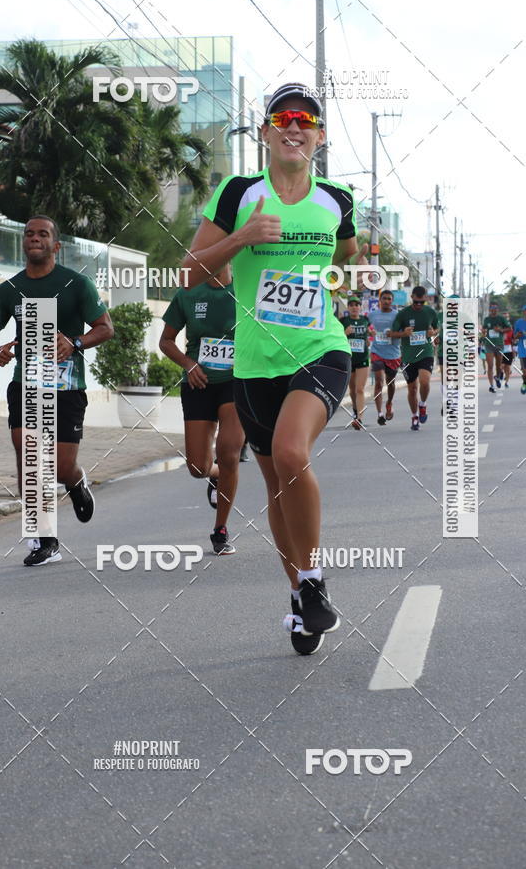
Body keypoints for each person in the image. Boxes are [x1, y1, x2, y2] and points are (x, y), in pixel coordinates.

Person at [181, 82, 368, 654]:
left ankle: (313, 580)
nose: (294, 126)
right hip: (254, 363)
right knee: (275, 483)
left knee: (292, 454)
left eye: (305, 120)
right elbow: (188, 272)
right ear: (264, 133)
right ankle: (298, 596)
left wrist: (331, 285)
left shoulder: (337, 199)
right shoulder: (238, 194)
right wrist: (241, 238)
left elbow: (347, 253)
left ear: (319, 137)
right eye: (282, 118)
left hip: (321, 350)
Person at [0, 215, 113, 565]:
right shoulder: (9, 289)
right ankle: (44, 539)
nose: (34, 238)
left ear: (56, 245)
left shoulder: (76, 284)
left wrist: (75, 343)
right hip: (26, 384)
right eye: (29, 234)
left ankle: (76, 482)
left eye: (43, 234)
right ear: (24, 242)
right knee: (29, 457)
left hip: (66, 387)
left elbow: (105, 327)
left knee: (62, 467)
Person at [159, 265, 245, 554]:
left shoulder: (245, 289)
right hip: (199, 384)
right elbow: (166, 341)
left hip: (236, 383)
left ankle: (220, 529)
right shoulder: (188, 293)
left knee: (230, 452)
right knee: (198, 467)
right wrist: (188, 364)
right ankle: (215, 474)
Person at [390, 285, 438, 431]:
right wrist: (403, 333)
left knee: (424, 381)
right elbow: (392, 333)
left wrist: (433, 332)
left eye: (421, 302)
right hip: (408, 356)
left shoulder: (430, 312)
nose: (418, 305)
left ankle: (422, 404)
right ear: (411, 298)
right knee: (412, 389)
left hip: (425, 352)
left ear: (425, 300)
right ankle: (414, 416)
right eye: (416, 302)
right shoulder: (403, 314)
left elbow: (437, 328)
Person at [368, 289, 401, 425]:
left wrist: (393, 334)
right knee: (379, 381)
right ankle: (380, 413)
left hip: (393, 354)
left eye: (389, 299)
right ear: (380, 300)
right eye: (384, 298)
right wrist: (369, 331)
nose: (386, 301)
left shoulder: (397, 316)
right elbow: (366, 327)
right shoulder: (372, 315)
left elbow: (404, 333)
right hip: (377, 352)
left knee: (390, 383)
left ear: (392, 301)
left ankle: (389, 403)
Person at [339, 295, 370, 429]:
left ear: (360, 307)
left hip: (363, 358)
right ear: (348, 307)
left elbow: (368, 334)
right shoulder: (343, 321)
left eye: (356, 305)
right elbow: (336, 338)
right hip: (349, 359)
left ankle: (360, 419)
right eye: (351, 305)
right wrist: (344, 333)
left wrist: (369, 336)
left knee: (360, 389)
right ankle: (356, 411)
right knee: (352, 390)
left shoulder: (365, 320)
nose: (354, 307)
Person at [481, 302, 510, 393]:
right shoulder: (486, 319)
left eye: (495, 308)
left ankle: (497, 377)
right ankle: (491, 385)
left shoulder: (501, 319)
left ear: (497, 310)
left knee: (498, 365)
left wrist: (500, 330)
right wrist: (484, 331)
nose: (494, 310)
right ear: (490, 310)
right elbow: (483, 331)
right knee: (490, 365)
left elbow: (509, 328)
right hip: (489, 344)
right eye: (492, 308)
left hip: (499, 344)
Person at [501, 311, 514, 388]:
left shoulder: (511, 328)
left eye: (507, 317)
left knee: (507, 366)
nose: (505, 318)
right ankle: (501, 375)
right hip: (500, 348)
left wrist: (514, 351)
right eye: (504, 317)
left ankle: (506, 382)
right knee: (501, 365)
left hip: (508, 348)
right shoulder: (498, 326)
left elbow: (513, 339)